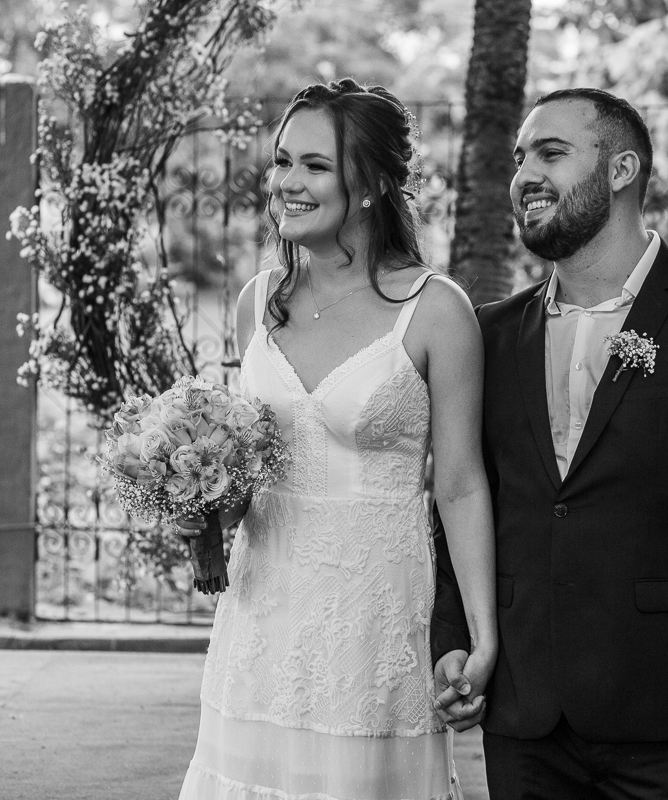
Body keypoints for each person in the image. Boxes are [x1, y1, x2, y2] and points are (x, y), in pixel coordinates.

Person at [431, 88, 668, 799]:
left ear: (623, 169)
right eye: (519, 159)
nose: (525, 175)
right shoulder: (491, 334)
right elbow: (459, 495)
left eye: (551, 153)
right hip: (527, 714)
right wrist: (454, 637)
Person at [177, 79, 497, 800]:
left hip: (373, 623)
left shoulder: (436, 311)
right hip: (261, 615)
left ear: (374, 185)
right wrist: (203, 506)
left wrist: (482, 637)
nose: (288, 182)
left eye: (315, 166)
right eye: (283, 161)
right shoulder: (258, 302)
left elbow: (460, 484)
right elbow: (256, 470)